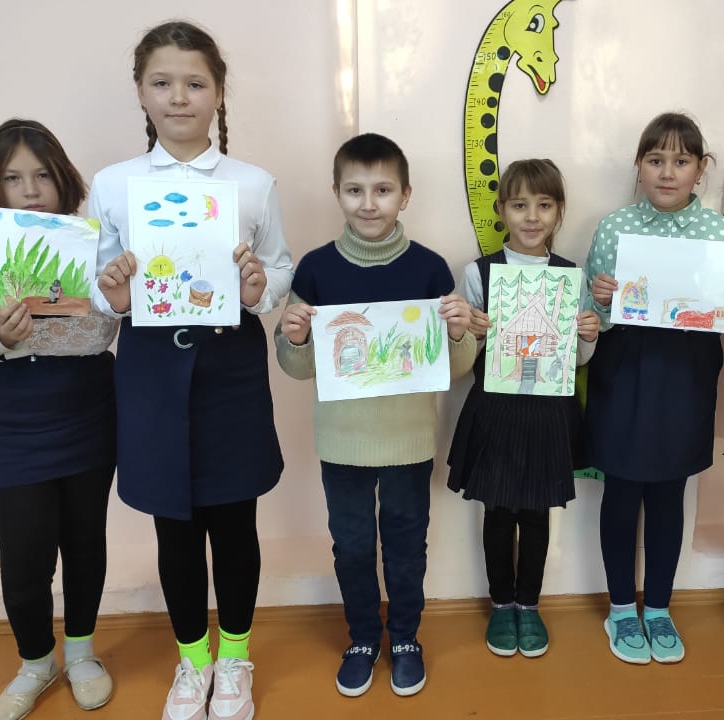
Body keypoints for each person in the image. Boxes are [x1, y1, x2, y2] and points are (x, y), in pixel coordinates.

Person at [88, 20, 293, 720]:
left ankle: (233, 659)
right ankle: (193, 661)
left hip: (230, 369)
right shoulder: (114, 184)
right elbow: (97, 281)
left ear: (219, 92)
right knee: (173, 528)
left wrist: (261, 287)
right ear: (141, 92)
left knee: (234, 523)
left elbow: (280, 267)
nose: (179, 97)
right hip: (149, 369)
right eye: (162, 83)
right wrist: (112, 294)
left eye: (195, 83)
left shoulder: (252, 184)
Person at [274, 133, 475, 697]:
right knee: (353, 545)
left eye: (383, 190)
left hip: (409, 440)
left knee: (408, 544)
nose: (369, 203)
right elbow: (295, 367)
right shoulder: (316, 269)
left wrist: (459, 331)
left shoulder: (430, 268)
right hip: (342, 443)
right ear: (336, 192)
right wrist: (294, 337)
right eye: (355, 190)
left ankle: (405, 637)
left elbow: (455, 366)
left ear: (405, 195)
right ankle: (363, 636)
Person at [0, 118, 117, 720]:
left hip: (89, 417)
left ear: (63, 178)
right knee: (24, 558)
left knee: (85, 543)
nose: (31, 190)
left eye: (42, 175)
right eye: (13, 178)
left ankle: (82, 653)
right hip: (16, 429)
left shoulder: (90, 244)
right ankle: (36, 663)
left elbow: (99, 333)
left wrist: (19, 338)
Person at [583, 113, 724, 665]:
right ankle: (622, 608)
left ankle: (659, 608)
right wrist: (600, 297)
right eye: (655, 160)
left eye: (681, 161)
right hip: (624, 371)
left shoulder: (721, 234)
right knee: (621, 493)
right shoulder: (614, 227)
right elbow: (594, 319)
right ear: (639, 166)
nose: (668, 172)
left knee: (668, 494)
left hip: (686, 376)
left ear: (700, 169)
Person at [447, 159, 600, 659]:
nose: (532, 216)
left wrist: (588, 335)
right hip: (495, 410)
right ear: (501, 210)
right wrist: (470, 331)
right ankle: (501, 603)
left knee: (536, 513)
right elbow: (461, 359)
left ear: (559, 212)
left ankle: (529, 605)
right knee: (497, 512)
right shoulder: (478, 273)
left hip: (548, 412)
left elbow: (578, 359)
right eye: (519, 205)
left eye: (544, 205)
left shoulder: (570, 275)